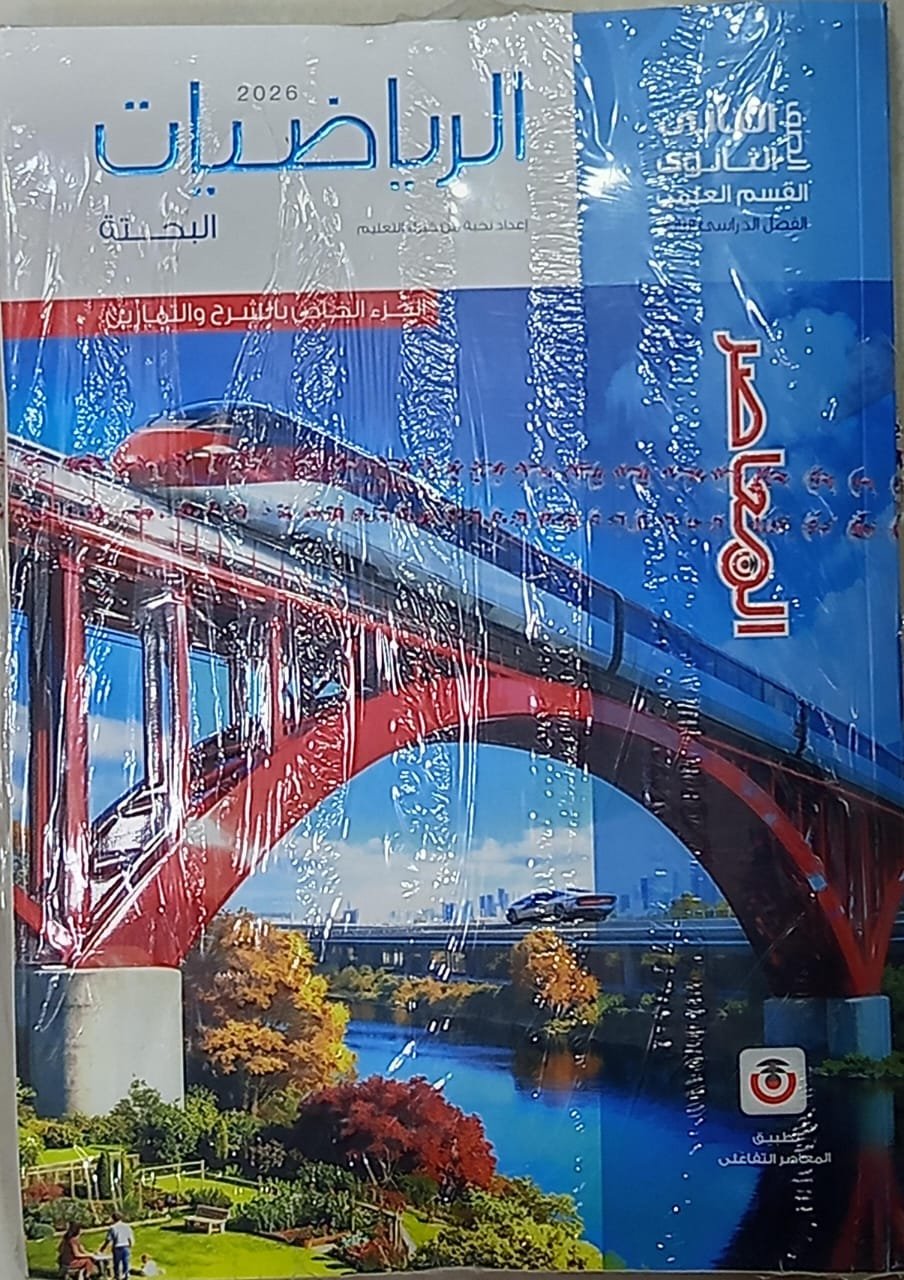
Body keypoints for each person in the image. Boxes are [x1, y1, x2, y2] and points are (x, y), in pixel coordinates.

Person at [102, 1211, 135, 1280]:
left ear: (113, 1219)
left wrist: (102, 1248)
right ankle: (126, 1275)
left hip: (117, 1247)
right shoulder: (126, 1226)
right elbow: (130, 1237)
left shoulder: (112, 1227)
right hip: (125, 1246)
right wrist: (131, 1245)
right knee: (126, 1262)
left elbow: (108, 1239)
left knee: (116, 1263)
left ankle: (117, 1276)